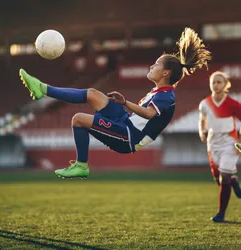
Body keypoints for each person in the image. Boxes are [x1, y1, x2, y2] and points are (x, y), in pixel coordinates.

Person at [19, 27, 211, 179]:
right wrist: (124, 104)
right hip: (125, 122)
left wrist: (125, 102)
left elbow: (150, 115)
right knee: (94, 93)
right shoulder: (158, 92)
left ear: (166, 73)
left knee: (78, 119)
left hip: (129, 138)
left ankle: (81, 166)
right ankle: (42, 89)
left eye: (157, 64)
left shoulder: (167, 96)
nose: (152, 66)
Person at [198, 71, 241, 223]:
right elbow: (202, 119)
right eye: (213, 82)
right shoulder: (204, 103)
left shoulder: (233, 104)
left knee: (225, 178)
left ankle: (221, 214)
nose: (216, 85)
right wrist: (201, 132)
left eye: (219, 82)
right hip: (213, 143)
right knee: (219, 179)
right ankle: (234, 181)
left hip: (230, 142)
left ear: (225, 85)